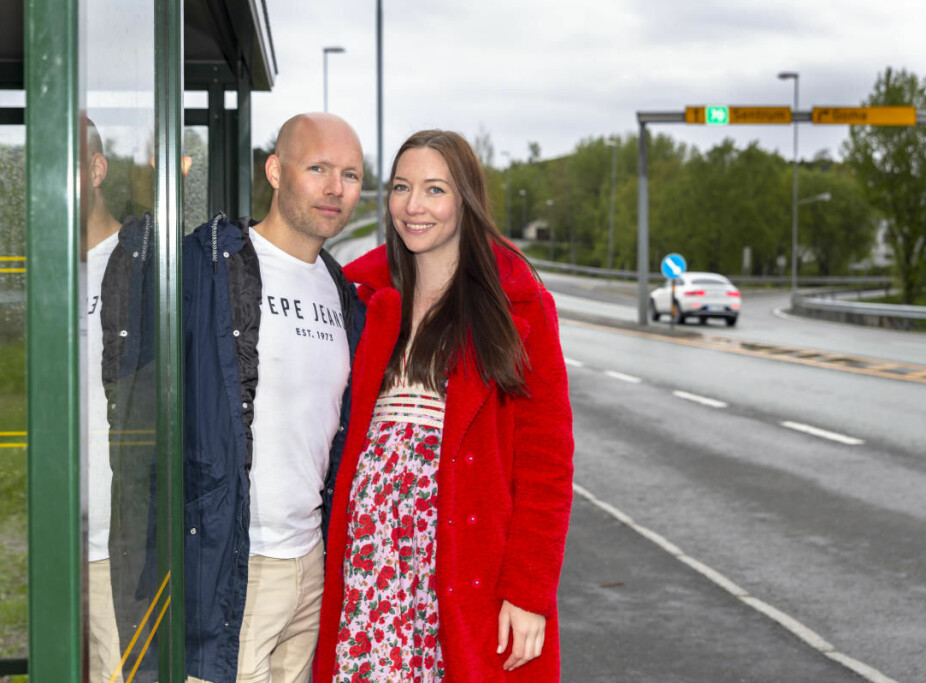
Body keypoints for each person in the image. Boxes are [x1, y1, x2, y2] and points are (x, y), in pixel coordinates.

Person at [315, 130, 574, 682]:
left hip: (460, 568)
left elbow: (547, 466)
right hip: (369, 569)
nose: (414, 206)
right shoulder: (362, 298)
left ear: (466, 200)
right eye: (402, 187)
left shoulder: (516, 309)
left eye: (435, 189)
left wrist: (529, 593)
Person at [182, 112, 366, 683]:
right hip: (233, 565)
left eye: (351, 175)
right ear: (276, 171)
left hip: (311, 564)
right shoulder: (208, 265)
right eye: (318, 168)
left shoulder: (343, 294)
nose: (335, 188)